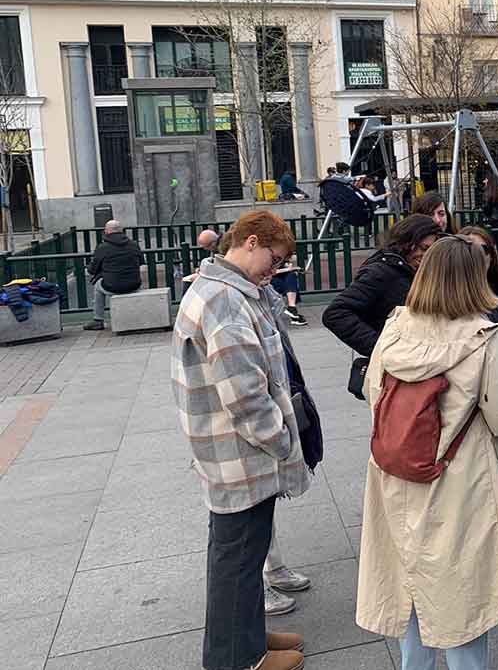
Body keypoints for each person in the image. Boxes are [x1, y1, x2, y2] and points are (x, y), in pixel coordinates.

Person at [356, 236, 498, 668]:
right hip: (462, 479)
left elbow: (375, 393)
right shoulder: (483, 338)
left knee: (412, 590)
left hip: (397, 475)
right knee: (465, 602)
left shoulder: (395, 326)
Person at [172, 211, 308, 670]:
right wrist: (281, 441)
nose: (276, 269)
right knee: (238, 557)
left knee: (240, 555)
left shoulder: (223, 289)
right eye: (275, 258)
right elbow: (246, 395)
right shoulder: (225, 301)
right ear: (251, 242)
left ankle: (247, 636)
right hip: (240, 451)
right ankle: (236, 658)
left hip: (229, 447)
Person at [323, 215, 444, 357]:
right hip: (396, 359)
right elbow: (336, 313)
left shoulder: (420, 270)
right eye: (423, 248)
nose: (426, 256)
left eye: (431, 251)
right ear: (407, 243)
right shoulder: (380, 273)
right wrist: (381, 347)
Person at [83, 220, 145, 331]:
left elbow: (92, 270)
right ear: (121, 230)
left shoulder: (102, 247)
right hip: (134, 285)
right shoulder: (134, 244)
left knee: (97, 286)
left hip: (113, 286)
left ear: (107, 231)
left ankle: (98, 320)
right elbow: (141, 262)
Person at [459, 225, 498, 304]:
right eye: (469, 249)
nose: (477, 255)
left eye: (483, 249)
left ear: (491, 256)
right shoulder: (450, 294)